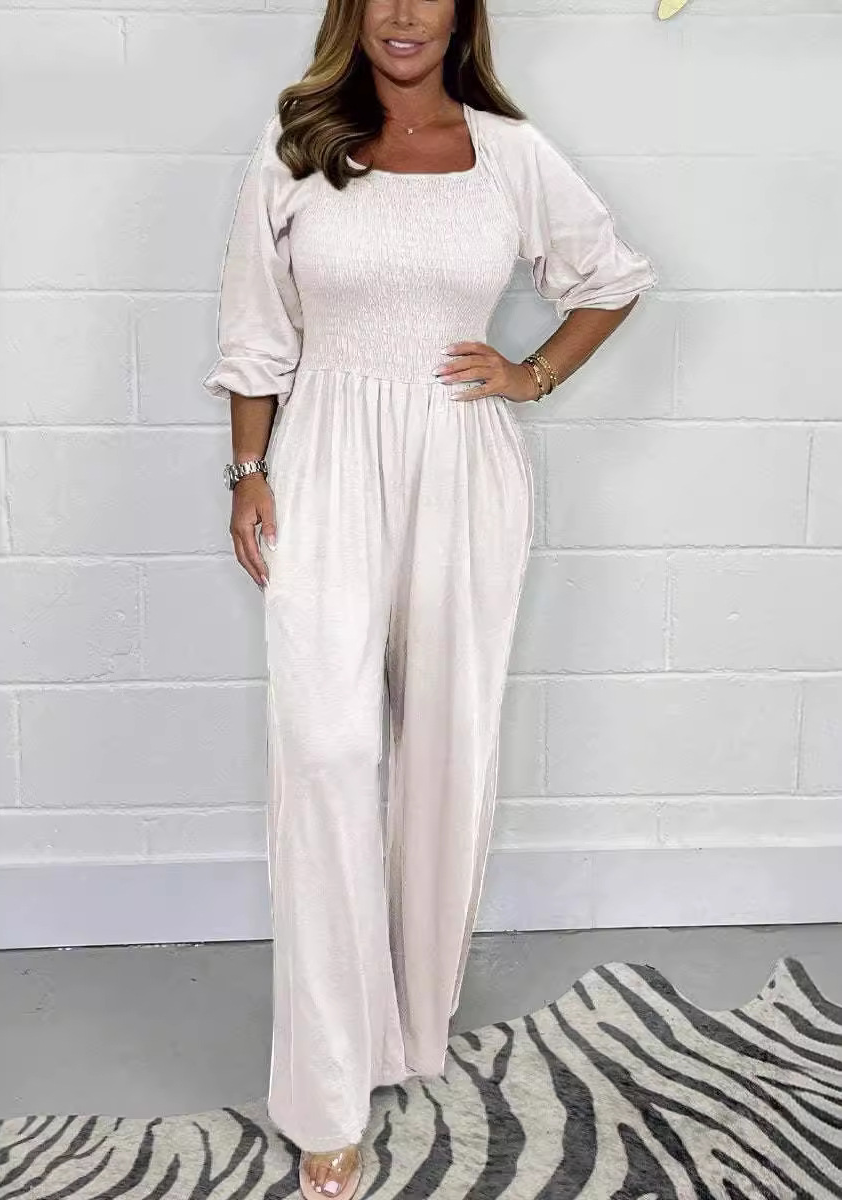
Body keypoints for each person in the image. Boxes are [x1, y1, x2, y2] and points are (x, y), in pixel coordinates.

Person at [201, 0, 657, 1192]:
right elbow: (256, 327)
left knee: (446, 755)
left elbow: (613, 276)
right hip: (325, 464)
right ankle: (325, 1087)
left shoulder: (511, 152)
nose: (405, 13)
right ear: (352, 9)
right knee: (327, 753)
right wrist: (249, 472)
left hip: (464, 465)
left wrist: (533, 372)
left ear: (463, 12)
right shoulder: (299, 142)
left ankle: (406, 1029)